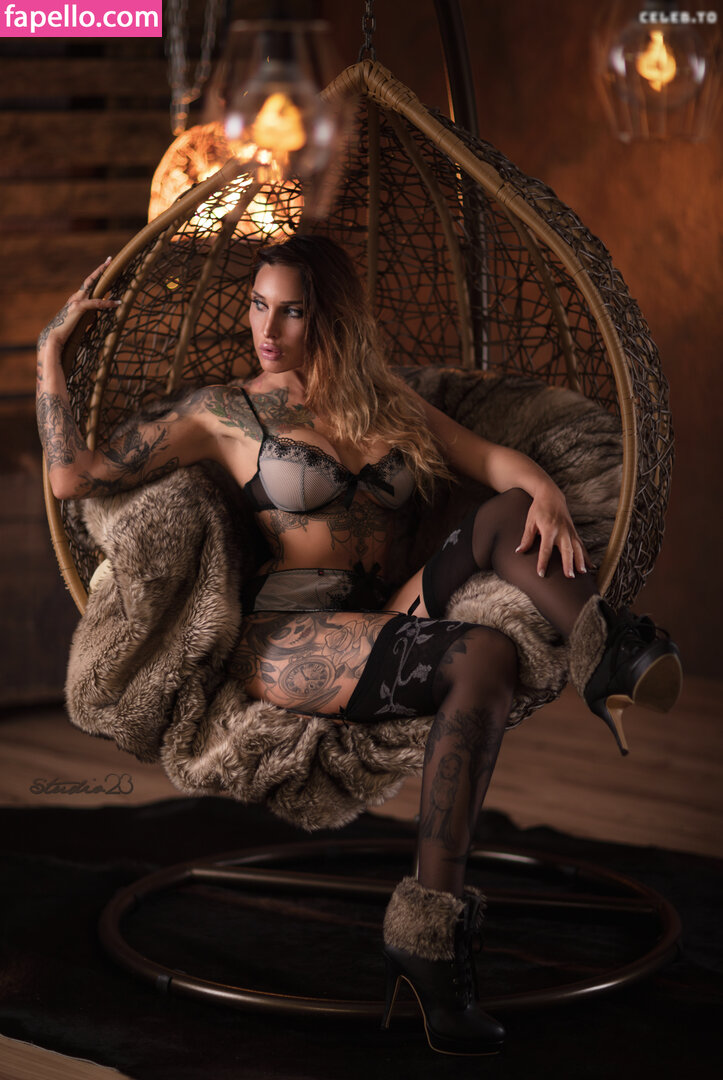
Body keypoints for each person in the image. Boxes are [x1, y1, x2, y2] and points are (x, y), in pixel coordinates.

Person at [37, 236, 682, 1056]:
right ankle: (428, 941)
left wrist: (547, 491)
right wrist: (48, 356)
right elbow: (75, 476)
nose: (266, 329)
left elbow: (489, 459)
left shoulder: (383, 402)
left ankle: (605, 651)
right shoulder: (222, 413)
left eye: (290, 311)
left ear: (330, 317)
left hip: (386, 613)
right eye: (258, 305)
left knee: (506, 514)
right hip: (287, 639)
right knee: (483, 656)